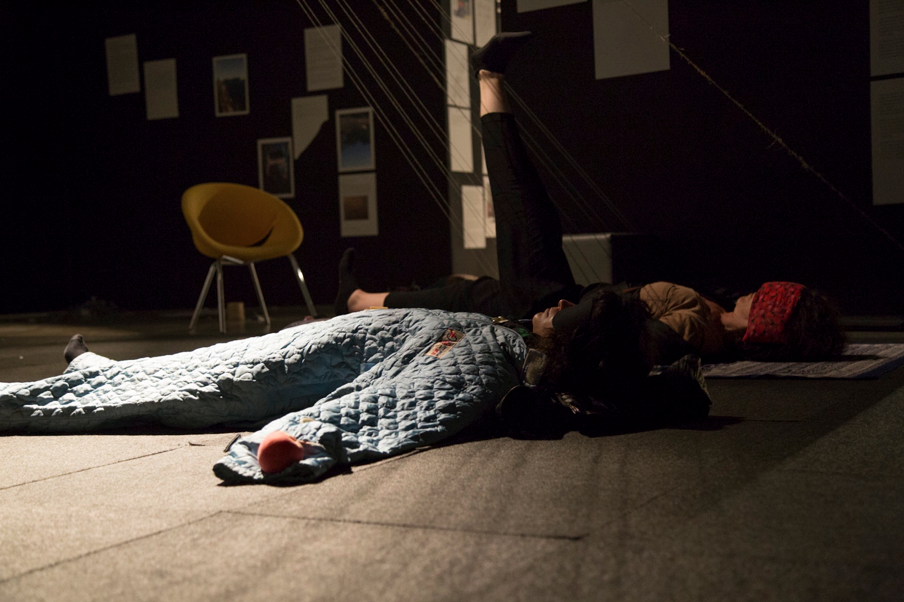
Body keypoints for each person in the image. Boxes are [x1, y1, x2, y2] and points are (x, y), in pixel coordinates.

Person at [334, 32, 846, 367]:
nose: (757, 290)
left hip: (548, 310)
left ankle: (489, 77)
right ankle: (357, 301)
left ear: (764, 320)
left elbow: (625, 338)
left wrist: (555, 325)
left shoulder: (696, 328)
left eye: (765, 297)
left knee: (524, 206)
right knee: (476, 293)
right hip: (560, 298)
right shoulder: (711, 313)